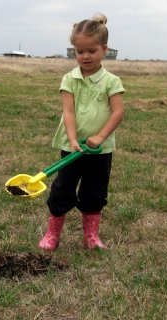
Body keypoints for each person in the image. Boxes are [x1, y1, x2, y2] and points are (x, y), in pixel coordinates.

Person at [39, 13, 125, 251]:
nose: (86, 57)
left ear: (104, 49)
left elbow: (117, 112)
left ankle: (91, 237)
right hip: (72, 148)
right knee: (62, 190)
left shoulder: (111, 81)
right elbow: (68, 112)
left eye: (92, 51)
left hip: (101, 150)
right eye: (80, 52)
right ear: (74, 51)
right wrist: (73, 139)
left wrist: (99, 137)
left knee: (95, 192)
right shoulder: (70, 79)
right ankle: (52, 235)